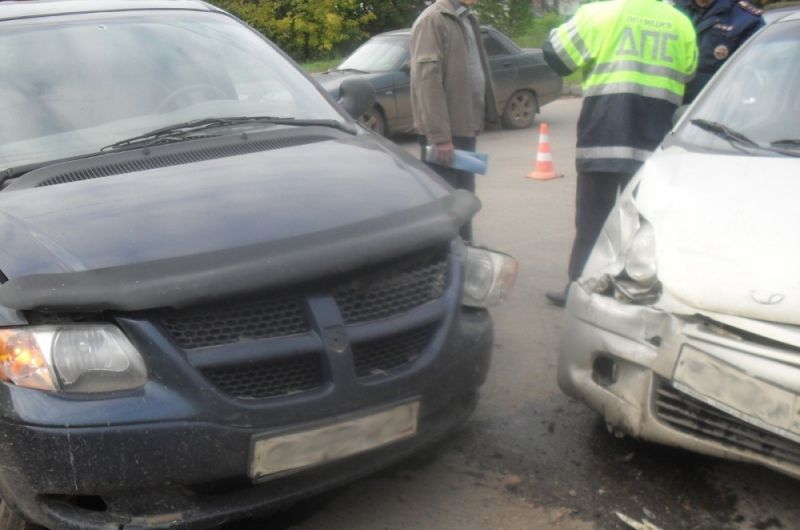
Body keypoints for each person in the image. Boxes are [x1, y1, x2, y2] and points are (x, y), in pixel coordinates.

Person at [542, 0, 698, 307]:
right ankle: (634, 293)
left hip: (604, 137)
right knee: (643, 226)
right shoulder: (680, 23)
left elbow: (555, 55)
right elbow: (689, 72)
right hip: (652, 148)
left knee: (592, 222)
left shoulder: (599, 14)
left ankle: (580, 289)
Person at [410, 0, 500, 242]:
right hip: (445, 134)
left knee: (464, 201)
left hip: (464, 127)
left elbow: (477, 68)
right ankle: (444, 264)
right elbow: (427, 83)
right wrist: (440, 137)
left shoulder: (468, 18)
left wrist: (488, 114)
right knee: (445, 208)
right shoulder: (433, 20)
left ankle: (465, 252)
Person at [673, 0, 765, 102]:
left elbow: (754, 70)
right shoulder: (673, 10)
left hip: (713, 107)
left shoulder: (746, 18)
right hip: (670, 101)